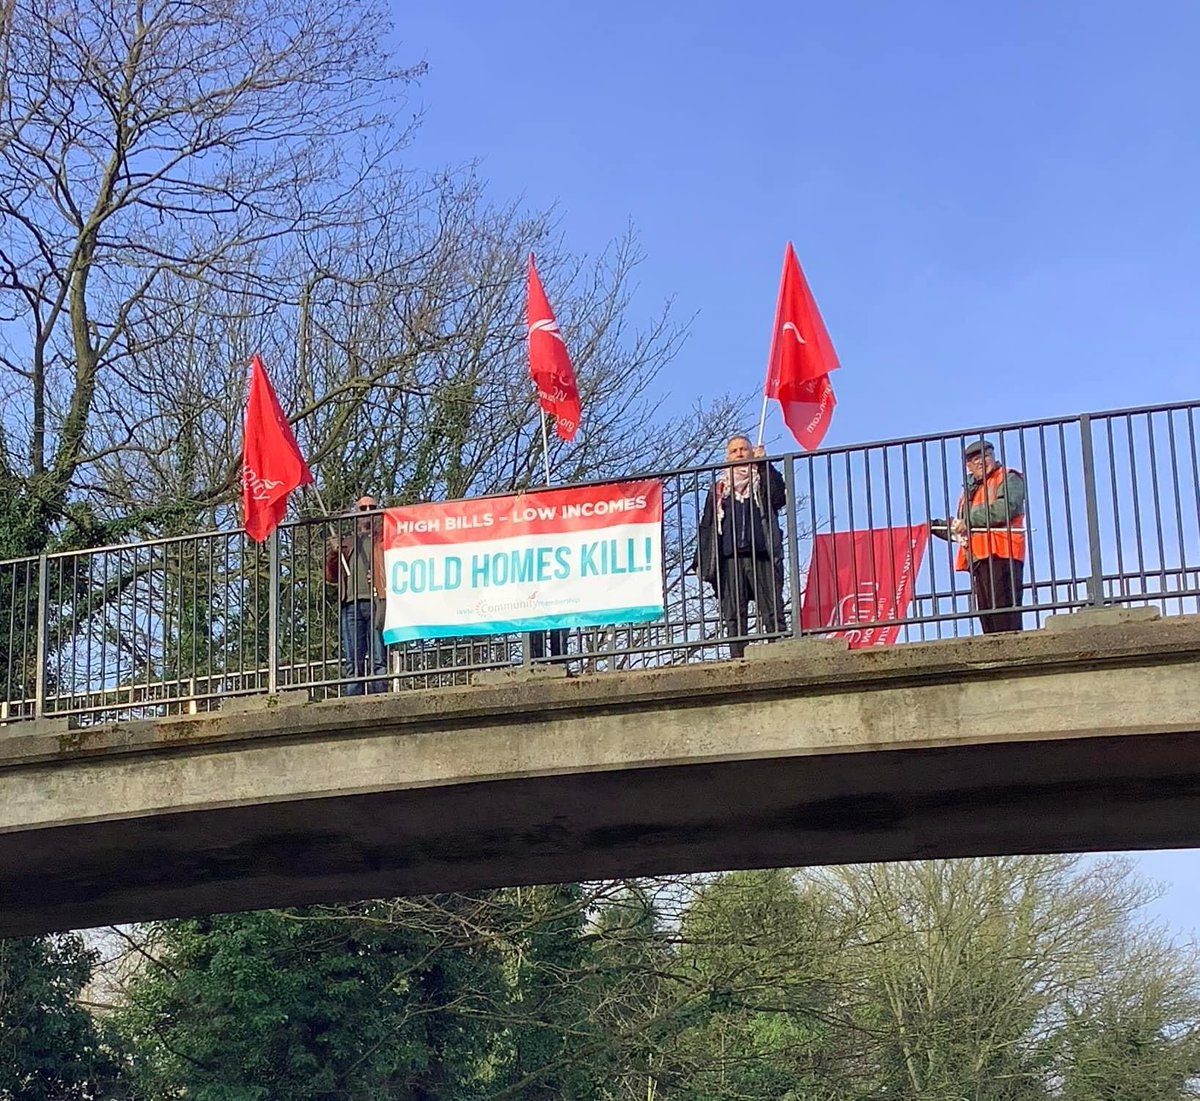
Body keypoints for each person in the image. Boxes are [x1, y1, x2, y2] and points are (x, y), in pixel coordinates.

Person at [695, 435, 788, 658]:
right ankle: (738, 657)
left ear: (751, 453)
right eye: (734, 451)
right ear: (727, 457)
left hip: (762, 553)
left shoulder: (761, 480)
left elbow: (778, 497)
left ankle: (777, 652)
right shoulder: (719, 489)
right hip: (729, 558)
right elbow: (707, 524)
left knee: (771, 608)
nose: (738, 454)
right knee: (734, 612)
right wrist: (701, 560)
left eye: (743, 450)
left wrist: (765, 465)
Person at [950, 440, 1027, 634]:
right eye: (975, 459)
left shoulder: (1009, 477)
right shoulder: (968, 493)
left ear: (993, 457)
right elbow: (963, 525)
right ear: (968, 466)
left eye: (985, 456)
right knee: (988, 618)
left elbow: (1005, 508)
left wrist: (968, 521)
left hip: (1003, 553)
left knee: (1005, 616)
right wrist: (940, 526)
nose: (981, 462)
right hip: (979, 558)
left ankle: (1011, 655)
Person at [324, 495, 388, 694]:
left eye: (372, 507)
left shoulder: (384, 541)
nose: (367, 511)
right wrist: (334, 553)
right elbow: (330, 576)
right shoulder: (347, 543)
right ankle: (354, 699)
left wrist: (381, 574)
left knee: (379, 658)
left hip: (377, 602)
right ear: (356, 513)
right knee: (353, 660)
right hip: (350, 605)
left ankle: (381, 698)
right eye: (363, 508)